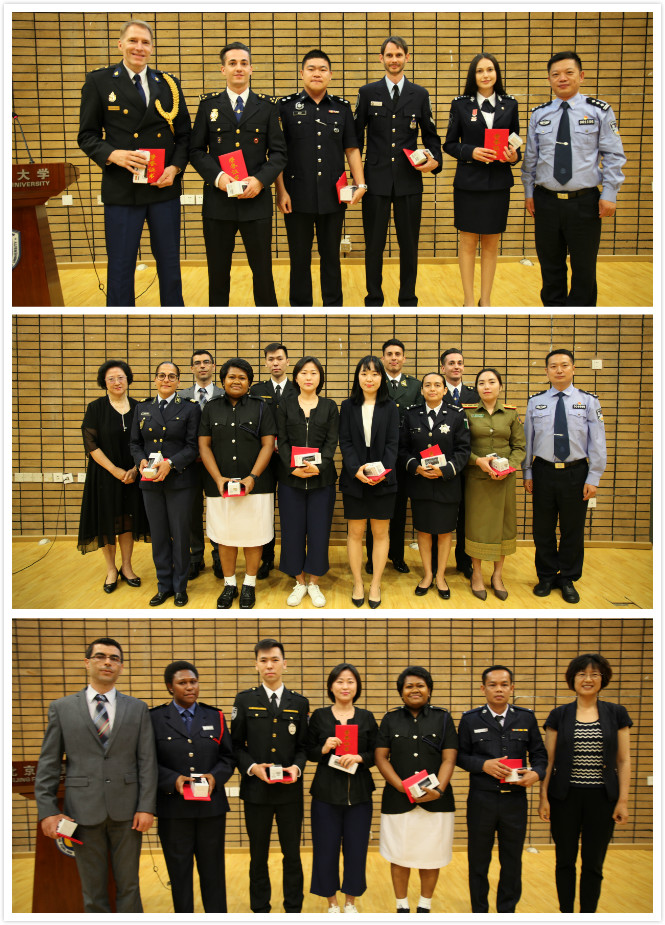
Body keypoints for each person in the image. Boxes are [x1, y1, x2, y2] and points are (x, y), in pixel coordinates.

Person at [35, 638, 157, 913]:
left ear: (121, 667)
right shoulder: (62, 708)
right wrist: (48, 811)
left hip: (128, 813)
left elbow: (147, 761)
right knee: (92, 889)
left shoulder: (137, 708)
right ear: (87, 662)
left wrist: (146, 807)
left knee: (129, 886)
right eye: (100, 656)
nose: (107, 662)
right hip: (82, 812)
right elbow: (49, 764)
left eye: (114, 658)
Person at [77, 19, 190, 307]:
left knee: (170, 263)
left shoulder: (168, 83)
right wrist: (112, 154)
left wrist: (175, 168)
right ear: (120, 44)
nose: (139, 47)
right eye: (133, 41)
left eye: (145, 42)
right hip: (122, 189)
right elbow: (87, 136)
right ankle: (119, 315)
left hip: (162, 187)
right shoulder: (100, 82)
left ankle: (174, 315)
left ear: (151, 48)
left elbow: (184, 136)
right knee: (120, 265)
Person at [521, 51, 626, 306]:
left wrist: (610, 194)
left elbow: (613, 155)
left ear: (581, 75)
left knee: (584, 268)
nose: (562, 78)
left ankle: (581, 314)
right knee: (550, 267)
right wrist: (529, 193)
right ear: (549, 79)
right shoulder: (539, 114)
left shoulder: (599, 111)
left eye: (569, 73)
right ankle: (553, 312)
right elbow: (531, 158)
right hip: (546, 201)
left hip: (585, 202)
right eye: (555, 74)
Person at [189, 41, 288, 306]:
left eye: (244, 63)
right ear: (223, 69)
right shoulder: (208, 105)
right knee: (218, 272)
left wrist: (260, 180)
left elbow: (279, 153)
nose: (238, 68)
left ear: (251, 68)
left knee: (263, 272)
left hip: (256, 202)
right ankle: (216, 318)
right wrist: (218, 177)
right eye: (232, 63)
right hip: (218, 204)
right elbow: (196, 150)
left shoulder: (267, 106)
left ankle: (269, 318)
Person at [539, 653, 632, 913]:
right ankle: (566, 913)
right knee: (564, 861)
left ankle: (588, 914)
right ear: (573, 679)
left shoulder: (617, 713)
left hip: (602, 799)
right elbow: (548, 760)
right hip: (564, 798)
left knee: (593, 863)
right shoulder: (559, 715)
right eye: (582, 674)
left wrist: (623, 801)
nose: (588, 679)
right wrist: (543, 797)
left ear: (603, 679)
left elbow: (623, 760)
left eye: (594, 674)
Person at [354, 36, 442, 306]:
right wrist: (356, 179)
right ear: (381, 58)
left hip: (408, 181)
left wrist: (434, 161)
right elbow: (355, 139)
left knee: (409, 244)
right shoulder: (367, 93)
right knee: (374, 244)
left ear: (407, 57)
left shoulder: (420, 94)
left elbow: (431, 137)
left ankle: (408, 299)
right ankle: (374, 298)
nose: (394, 60)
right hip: (375, 180)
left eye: (399, 55)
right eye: (389, 55)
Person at [276, 49, 367, 306]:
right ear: (302, 73)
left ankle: (333, 307)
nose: (317, 73)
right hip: (296, 196)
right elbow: (278, 153)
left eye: (322, 69)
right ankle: (300, 308)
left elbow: (352, 149)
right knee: (299, 258)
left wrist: (360, 183)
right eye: (311, 69)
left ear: (330, 74)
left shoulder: (342, 108)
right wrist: (281, 191)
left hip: (332, 196)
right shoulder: (285, 107)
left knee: (331, 257)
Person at [457, 665, 547, 913]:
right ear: (483, 688)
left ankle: (507, 912)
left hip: (514, 801)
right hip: (481, 800)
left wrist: (536, 774)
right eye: (493, 685)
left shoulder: (526, 718)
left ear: (512, 688)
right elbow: (459, 756)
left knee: (512, 860)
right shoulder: (471, 719)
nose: (499, 689)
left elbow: (540, 755)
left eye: (504, 684)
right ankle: (480, 911)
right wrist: (482, 765)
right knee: (478, 860)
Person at [231, 639, 309, 914]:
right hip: (257, 792)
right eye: (263, 660)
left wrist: (296, 768)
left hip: (289, 793)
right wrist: (253, 767)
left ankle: (293, 909)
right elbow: (235, 746)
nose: (269, 665)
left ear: (284, 664)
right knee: (258, 855)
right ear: (256, 665)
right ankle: (260, 909)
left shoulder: (299, 702)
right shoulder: (244, 700)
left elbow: (303, 747)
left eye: (275, 660)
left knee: (292, 855)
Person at [150, 660, 235, 912]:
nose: (190, 687)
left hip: (211, 810)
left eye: (193, 682)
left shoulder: (215, 716)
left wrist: (214, 777)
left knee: (213, 874)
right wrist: (172, 780)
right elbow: (147, 762)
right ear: (170, 686)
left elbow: (228, 757)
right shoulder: (155, 718)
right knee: (179, 875)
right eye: (182, 683)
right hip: (174, 811)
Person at [522, 349, 606, 604]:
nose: (559, 370)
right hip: (543, 471)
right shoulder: (536, 402)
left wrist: (593, 477)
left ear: (573, 368)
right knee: (542, 528)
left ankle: (568, 577)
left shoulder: (588, 401)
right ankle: (546, 576)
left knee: (572, 529)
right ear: (546, 371)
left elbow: (597, 442)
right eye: (553, 366)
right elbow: (528, 440)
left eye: (564, 365)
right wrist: (527, 471)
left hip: (576, 473)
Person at [375, 666, 458, 914]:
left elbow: (449, 759)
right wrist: (400, 786)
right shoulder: (390, 719)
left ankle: (424, 906)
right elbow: (381, 757)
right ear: (401, 692)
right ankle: (401, 907)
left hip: (436, 801)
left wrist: (438, 789)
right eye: (409, 686)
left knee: (431, 856)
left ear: (429, 690)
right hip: (398, 800)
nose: (415, 690)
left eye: (420, 685)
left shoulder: (443, 718)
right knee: (398, 855)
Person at [198, 358, 276, 609]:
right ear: (223, 380)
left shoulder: (261, 407)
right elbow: (204, 445)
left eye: (242, 378)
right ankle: (229, 584)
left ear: (249, 383)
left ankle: (249, 584)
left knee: (255, 537)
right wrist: (218, 478)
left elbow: (268, 444)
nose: (236, 381)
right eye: (231, 377)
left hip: (257, 486)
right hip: (220, 487)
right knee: (225, 537)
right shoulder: (211, 408)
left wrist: (252, 477)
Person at [443, 53, 520, 307]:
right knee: (467, 241)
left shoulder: (510, 104)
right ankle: (468, 300)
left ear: (497, 73)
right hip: (469, 183)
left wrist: (513, 157)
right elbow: (450, 144)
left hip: (498, 183)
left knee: (491, 243)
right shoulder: (460, 105)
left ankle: (485, 300)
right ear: (472, 75)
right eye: (479, 71)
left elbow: (516, 144)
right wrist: (471, 151)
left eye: (490, 69)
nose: (485, 75)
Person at [305, 663, 378, 913]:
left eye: (350, 681)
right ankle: (332, 903)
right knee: (325, 850)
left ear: (357, 686)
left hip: (359, 796)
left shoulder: (366, 717)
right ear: (331, 686)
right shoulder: (319, 716)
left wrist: (360, 758)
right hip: (325, 795)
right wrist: (324, 748)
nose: (345, 686)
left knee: (356, 851)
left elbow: (377, 752)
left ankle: (350, 902)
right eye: (339, 681)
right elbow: (309, 752)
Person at [129, 361, 201, 607]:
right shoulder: (143, 407)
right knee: (159, 535)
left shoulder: (190, 408)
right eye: (161, 376)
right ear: (155, 379)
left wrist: (170, 463)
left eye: (171, 376)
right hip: (150, 482)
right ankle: (164, 586)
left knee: (180, 536)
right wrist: (140, 461)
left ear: (179, 381)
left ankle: (180, 587)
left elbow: (193, 446)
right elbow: (135, 443)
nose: (166, 380)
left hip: (180, 481)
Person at [77, 360, 149, 592]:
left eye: (121, 377)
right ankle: (111, 570)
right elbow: (91, 445)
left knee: (127, 521)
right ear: (104, 382)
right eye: (111, 379)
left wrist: (135, 469)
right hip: (105, 475)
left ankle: (126, 567)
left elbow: (146, 442)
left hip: (132, 475)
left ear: (128, 379)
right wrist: (115, 470)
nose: (117, 382)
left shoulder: (139, 407)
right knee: (107, 522)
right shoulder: (95, 408)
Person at [398, 372, 471, 598]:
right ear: (421, 390)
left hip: (447, 483)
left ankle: (440, 576)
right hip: (420, 482)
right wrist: (415, 467)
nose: (432, 389)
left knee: (445, 531)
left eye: (437, 385)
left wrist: (446, 470)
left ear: (444, 390)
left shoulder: (457, 414)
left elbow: (463, 450)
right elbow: (402, 449)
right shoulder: (411, 415)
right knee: (424, 530)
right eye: (428, 385)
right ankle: (428, 574)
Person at [276, 355, 339, 607]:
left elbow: (331, 442)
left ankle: (314, 582)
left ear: (320, 377)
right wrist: (292, 468)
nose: (308, 377)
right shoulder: (285, 405)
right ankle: (299, 581)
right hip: (290, 480)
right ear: (296, 377)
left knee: (319, 531)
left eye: (313, 373)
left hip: (321, 480)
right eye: (303, 373)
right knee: (292, 531)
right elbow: (281, 441)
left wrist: (319, 467)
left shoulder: (329, 406)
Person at [339, 355, 400, 608]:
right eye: (364, 373)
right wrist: (356, 469)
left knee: (381, 533)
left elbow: (393, 444)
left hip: (383, 479)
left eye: (375, 374)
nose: (369, 378)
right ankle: (358, 582)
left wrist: (380, 472)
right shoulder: (347, 406)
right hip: (354, 478)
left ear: (381, 378)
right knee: (355, 533)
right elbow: (345, 441)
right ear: (358, 377)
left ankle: (375, 583)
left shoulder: (391, 407)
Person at [463, 368, 526, 601]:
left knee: (503, 526)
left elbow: (519, 447)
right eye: (481, 383)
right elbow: (462, 447)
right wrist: (477, 461)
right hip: (477, 479)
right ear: (477, 388)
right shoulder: (468, 412)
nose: (487, 386)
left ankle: (498, 575)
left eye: (491, 382)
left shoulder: (510, 414)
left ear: (500, 386)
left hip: (504, 480)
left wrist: (509, 467)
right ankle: (477, 574)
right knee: (477, 526)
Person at [366, 338, 423, 576]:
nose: (393, 358)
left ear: (404, 358)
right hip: (377, 455)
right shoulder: (374, 382)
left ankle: (397, 556)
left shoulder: (415, 386)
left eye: (398, 354)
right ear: (382, 358)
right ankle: (372, 558)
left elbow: (419, 419)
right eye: (389, 354)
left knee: (399, 509)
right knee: (374, 508)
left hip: (404, 457)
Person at [177, 349, 225, 581]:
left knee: (218, 510)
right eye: (197, 363)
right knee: (192, 511)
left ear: (213, 366)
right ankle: (196, 556)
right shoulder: (181, 396)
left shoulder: (225, 394)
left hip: (218, 462)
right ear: (192, 368)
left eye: (206, 362)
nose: (202, 366)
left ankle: (219, 556)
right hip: (190, 464)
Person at [249, 343, 294, 580]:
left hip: (290, 459)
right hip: (263, 459)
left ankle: (291, 559)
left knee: (290, 510)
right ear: (266, 363)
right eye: (270, 359)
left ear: (287, 362)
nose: (275, 363)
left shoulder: (298, 387)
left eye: (279, 358)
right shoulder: (256, 390)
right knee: (264, 511)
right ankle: (266, 558)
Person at [439, 348, 480, 579]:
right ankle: (436, 564)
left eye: (460, 363)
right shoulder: (436, 390)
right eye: (451, 363)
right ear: (443, 367)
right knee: (441, 516)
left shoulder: (475, 395)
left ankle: (464, 561)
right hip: (442, 465)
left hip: (469, 465)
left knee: (466, 516)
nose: (456, 366)